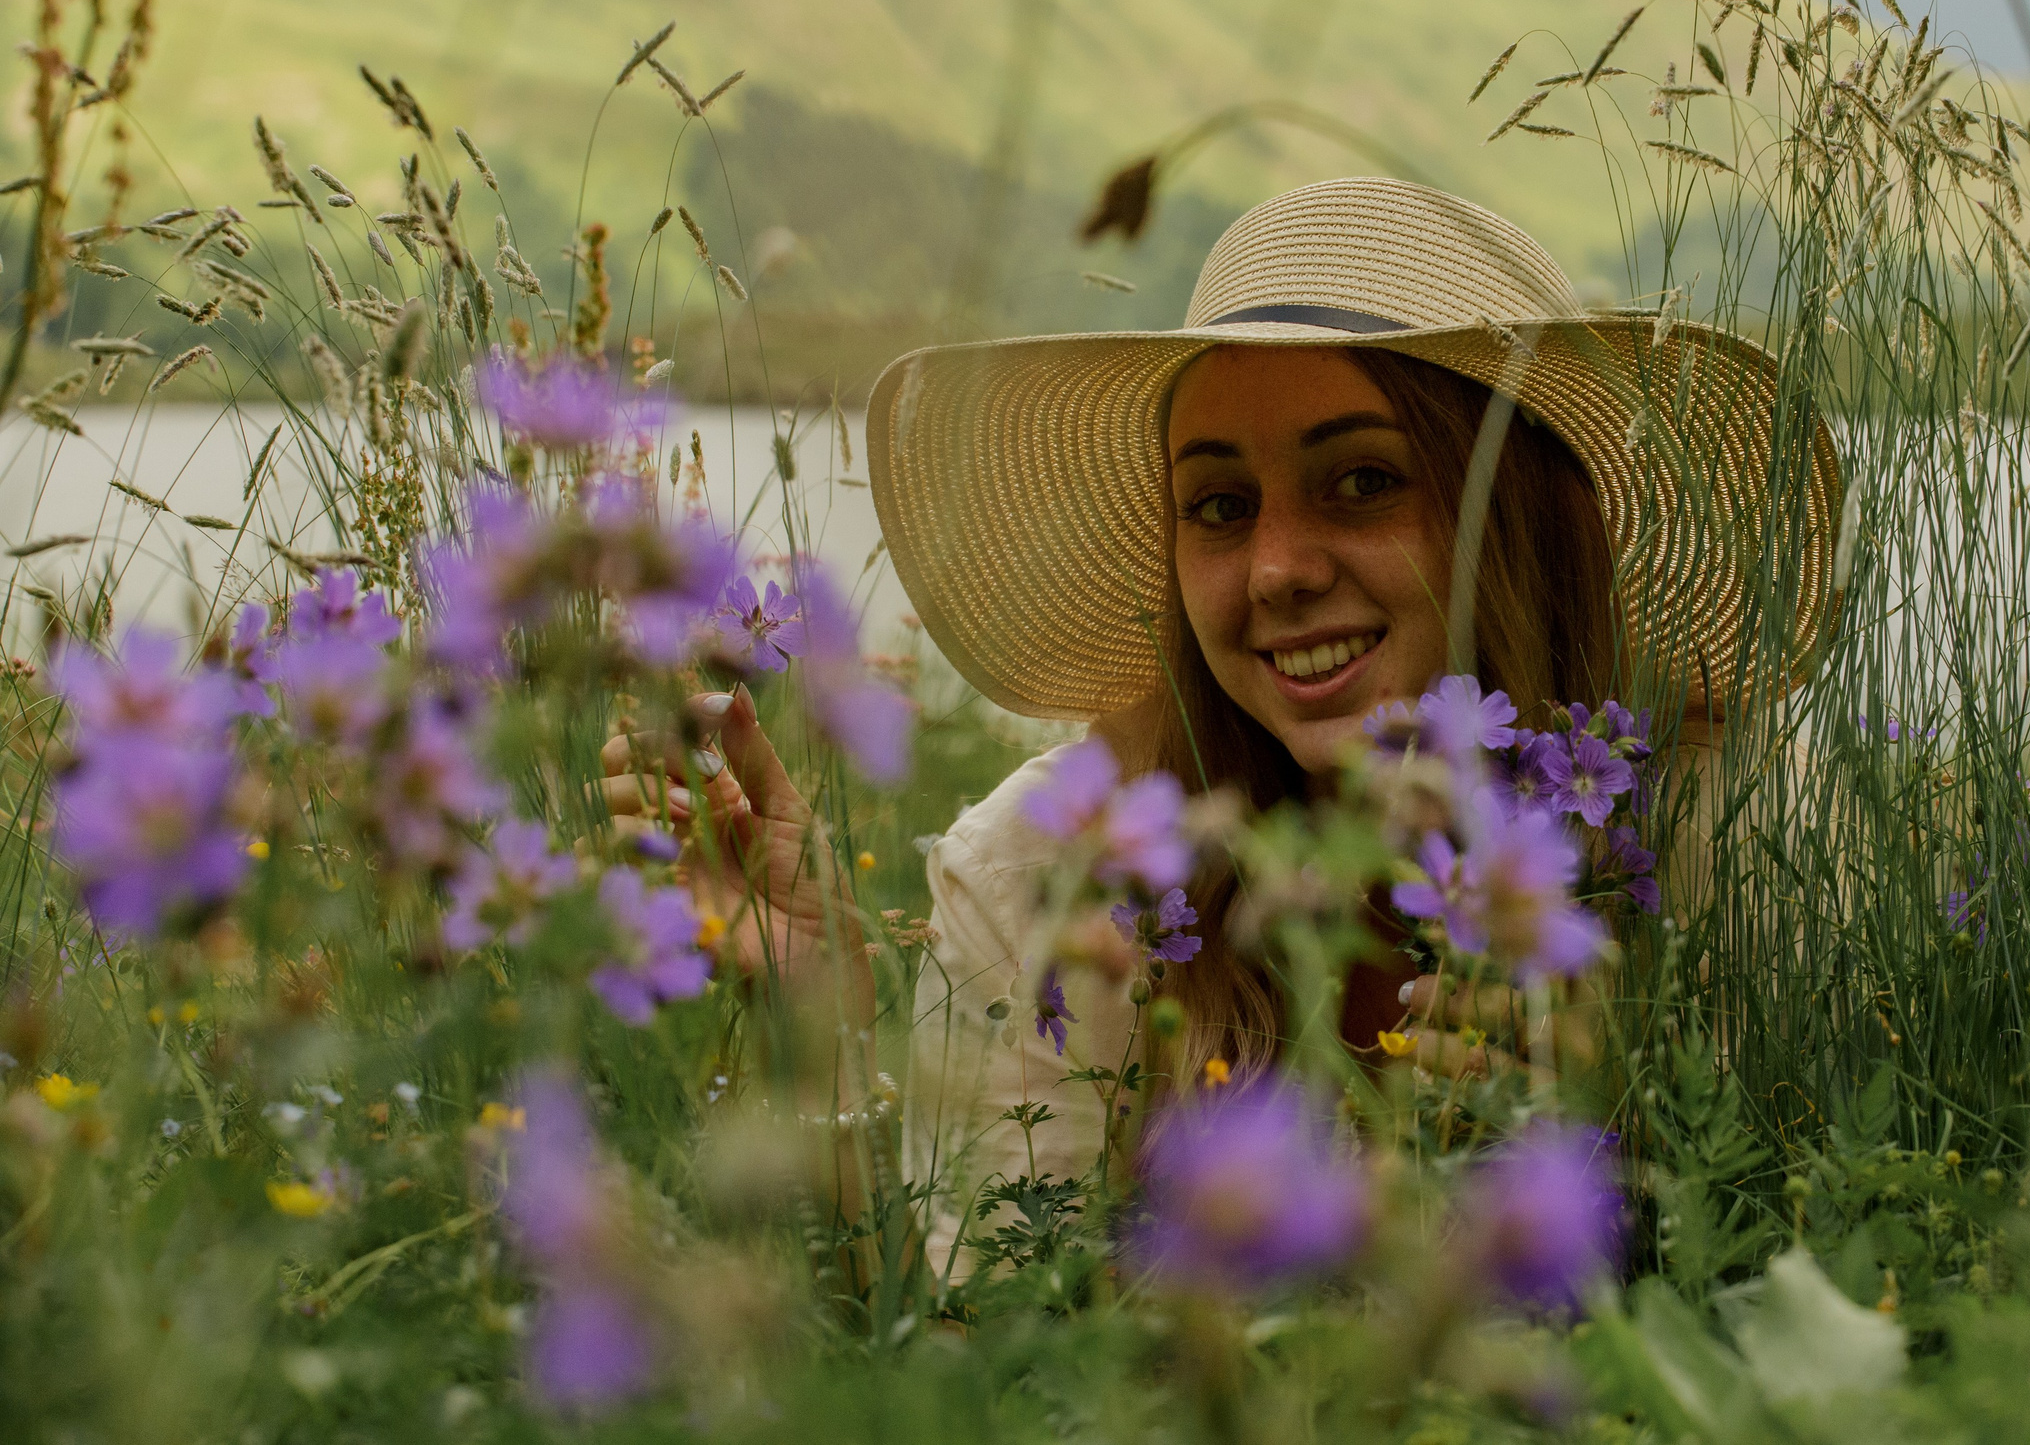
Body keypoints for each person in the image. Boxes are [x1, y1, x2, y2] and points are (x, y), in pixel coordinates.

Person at [602, 177, 1838, 1263]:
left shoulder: (1730, 853)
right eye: (1218, 503)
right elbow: (993, 1359)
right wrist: (820, 1019)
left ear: (1514, 511)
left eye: (1363, 481)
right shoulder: (1053, 870)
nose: (1274, 570)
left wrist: (1606, 1147)